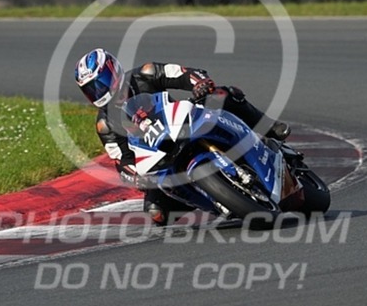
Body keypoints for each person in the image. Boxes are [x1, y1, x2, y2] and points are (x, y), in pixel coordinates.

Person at [74, 48, 290, 225]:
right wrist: (135, 177)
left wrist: (199, 84)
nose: (99, 92)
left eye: (101, 83)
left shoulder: (145, 74)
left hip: (184, 122)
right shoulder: (105, 125)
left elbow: (183, 74)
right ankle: (217, 200)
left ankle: (269, 128)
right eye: (91, 90)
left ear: (113, 71)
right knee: (156, 213)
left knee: (222, 95)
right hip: (160, 155)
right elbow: (123, 161)